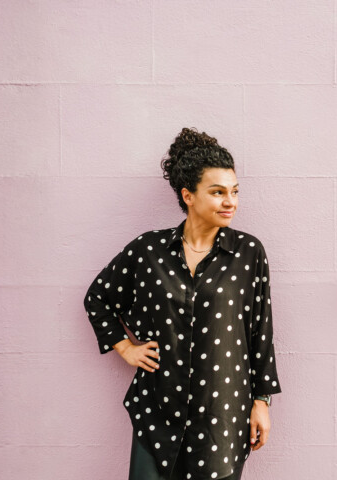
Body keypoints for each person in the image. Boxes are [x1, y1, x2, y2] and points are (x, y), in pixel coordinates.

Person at [83, 127, 282, 480]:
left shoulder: (248, 252)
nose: (230, 202)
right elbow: (98, 298)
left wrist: (261, 401)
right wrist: (126, 348)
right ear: (188, 195)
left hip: (221, 414)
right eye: (218, 192)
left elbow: (260, 331)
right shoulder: (148, 251)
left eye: (235, 192)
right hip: (157, 411)